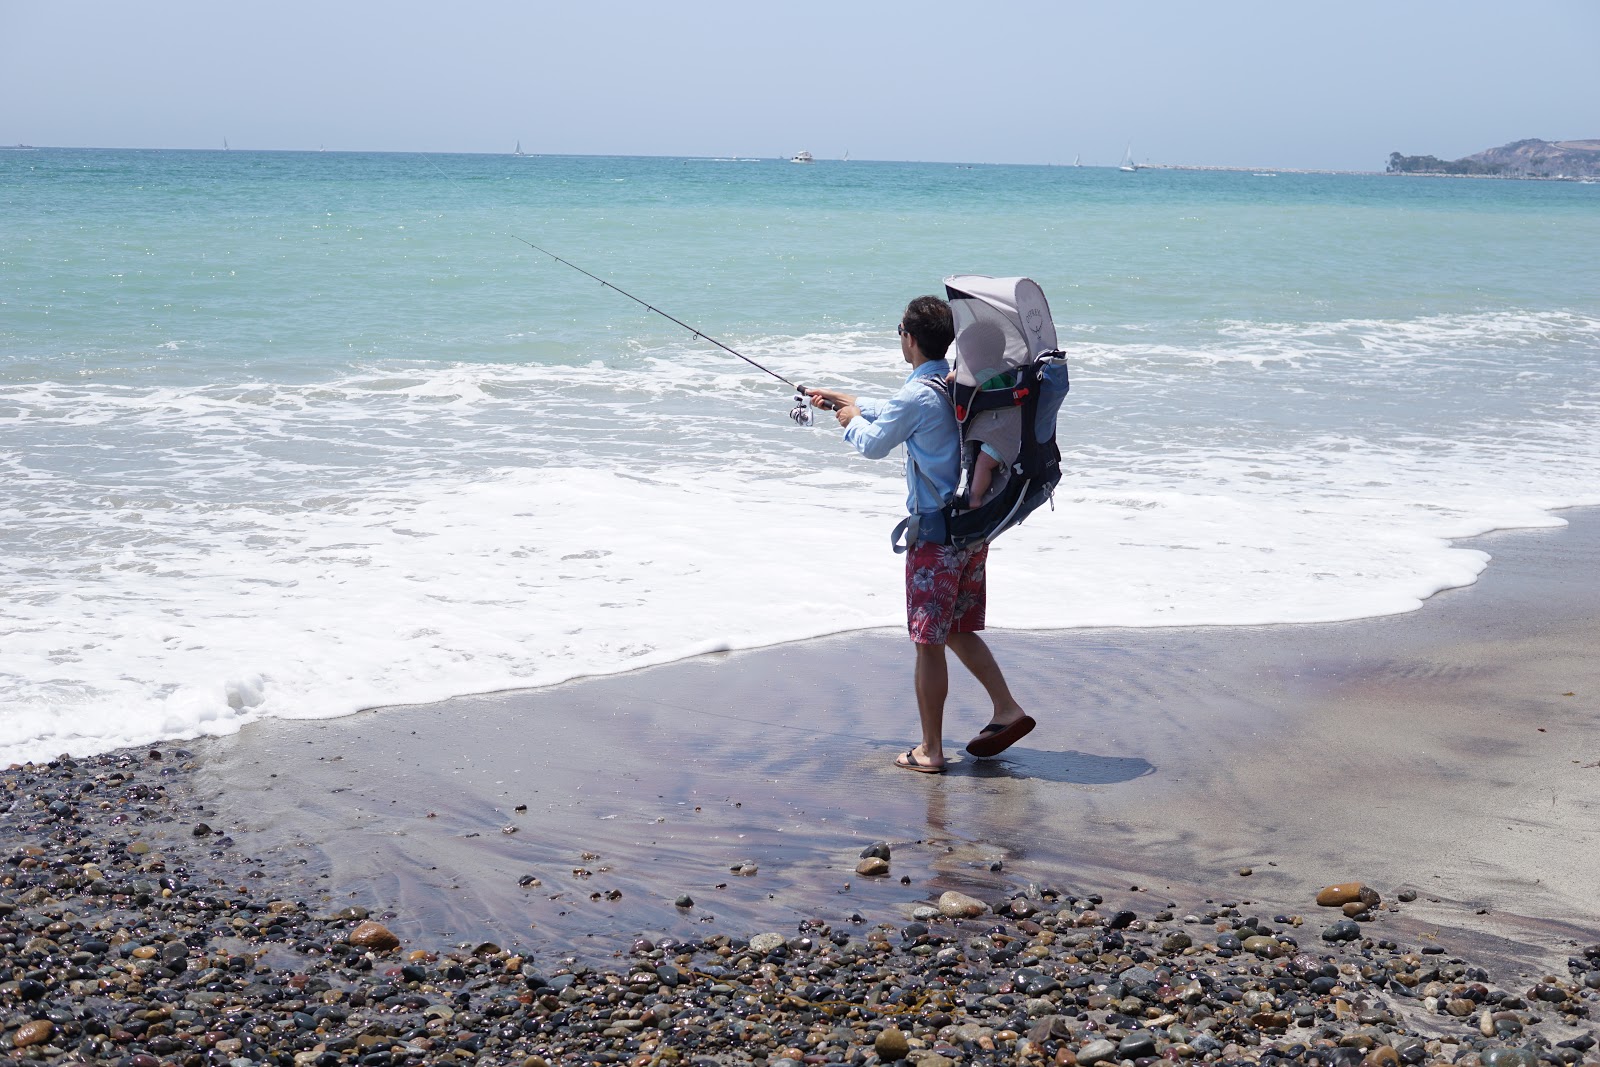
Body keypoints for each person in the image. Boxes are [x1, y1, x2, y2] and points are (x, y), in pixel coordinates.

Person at [806, 295, 1035, 773]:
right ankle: (1007, 709)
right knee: (958, 630)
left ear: (908, 338)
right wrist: (849, 401)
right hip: (971, 531)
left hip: (935, 538)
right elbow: (899, 409)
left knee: (928, 642)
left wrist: (850, 421)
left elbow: (874, 443)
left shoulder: (918, 395)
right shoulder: (954, 384)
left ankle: (930, 750)